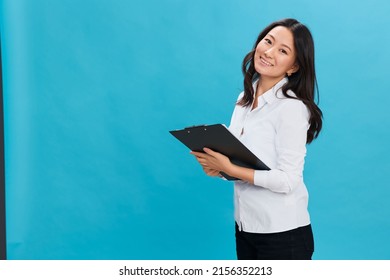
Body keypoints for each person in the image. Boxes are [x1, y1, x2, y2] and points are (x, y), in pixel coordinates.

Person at [191, 18, 322, 260]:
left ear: (293, 67)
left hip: (283, 233)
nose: (269, 52)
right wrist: (219, 169)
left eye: (283, 51)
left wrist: (231, 169)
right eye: (268, 41)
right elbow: (243, 160)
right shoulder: (244, 99)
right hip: (246, 226)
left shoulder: (291, 108)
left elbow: (289, 180)